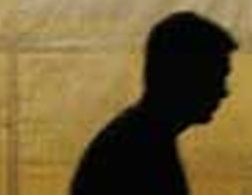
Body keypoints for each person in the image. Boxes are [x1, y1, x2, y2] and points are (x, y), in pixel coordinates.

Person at [70, 12, 237, 195]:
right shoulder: (141, 151)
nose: (224, 92)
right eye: (215, 78)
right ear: (185, 76)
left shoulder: (137, 140)